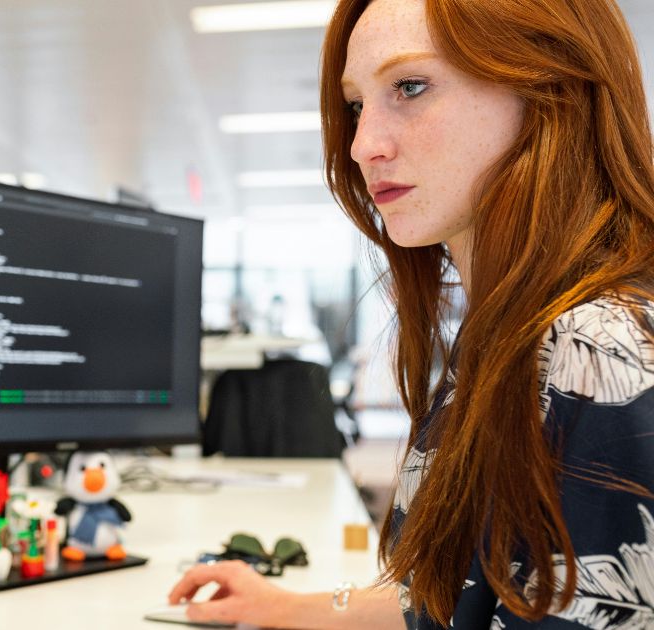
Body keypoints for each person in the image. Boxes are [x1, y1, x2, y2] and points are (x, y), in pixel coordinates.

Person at [168, 0, 654, 627]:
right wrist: (283, 605)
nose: (363, 145)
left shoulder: (600, 348)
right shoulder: (514, 330)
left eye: (411, 86)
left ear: (551, 87)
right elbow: (469, 599)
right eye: (355, 106)